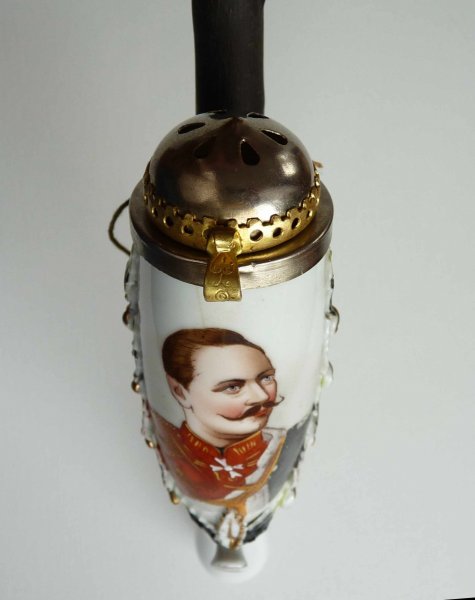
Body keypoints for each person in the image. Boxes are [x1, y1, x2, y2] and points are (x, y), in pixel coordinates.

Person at [149, 328, 286, 505]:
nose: (261, 396)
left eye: (266, 378)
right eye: (233, 387)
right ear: (180, 393)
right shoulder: (171, 445)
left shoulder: (281, 445)